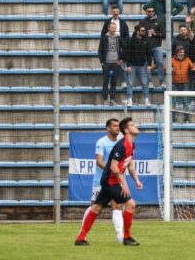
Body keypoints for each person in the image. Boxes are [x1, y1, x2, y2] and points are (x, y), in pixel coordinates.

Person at [76, 117, 143, 247]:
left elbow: (130, 166)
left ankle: (80, 238)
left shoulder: (132, 145)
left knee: (96, 207)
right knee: (130, 204)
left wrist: (137, 180)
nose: (136, 126)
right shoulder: (121, 145)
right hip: (110, 181)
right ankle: (127, 237)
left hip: (111, 181)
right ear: (127, 130)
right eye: (133, 125)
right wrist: (124, 183)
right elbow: (113, 166)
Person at [81, 119, 124, 243]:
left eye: (118, 126)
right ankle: (82, 233)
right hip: (101, 181)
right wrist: (111, 170)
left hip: (115, 181)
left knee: (117, 205)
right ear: (108, 128)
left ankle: (120, 235)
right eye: (114, 126)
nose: (117, 128)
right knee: (94, 207)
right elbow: (99, 161)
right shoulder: (102, 142)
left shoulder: (121, 143)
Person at [123, 25, 152, 107]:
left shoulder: (146, 40)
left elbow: (149, 53)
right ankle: (129, 100)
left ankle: (146, 100)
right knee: (130, 83)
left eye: (144, 30)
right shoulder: (130, 40)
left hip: (142, 65)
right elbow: (127, 54)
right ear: (137, 31)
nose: (144, 32)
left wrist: (149, 64)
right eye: (142, 30)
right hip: (132, 65)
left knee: (144, 83)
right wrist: (128, 65)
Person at [98, 21, 124, 105]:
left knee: (114, 82)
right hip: (107, 63)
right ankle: (105, 99)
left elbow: (125, 49)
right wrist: (102, 62)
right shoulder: (104, 38)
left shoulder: (118, 38)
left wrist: (122, 59)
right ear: (108, 28)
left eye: (115, 28)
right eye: (112, 28)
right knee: (105, 82)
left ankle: (112, 99)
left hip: (116, 64)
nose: (113, 30)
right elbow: (99, 50)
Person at [141, 7, 166, 89]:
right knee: (147, 65)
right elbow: (138, 33)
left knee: (160, 63)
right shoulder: (142, 22)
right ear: (146, 12)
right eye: (149, 11)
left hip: (156, 46)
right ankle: (149, 82)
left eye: (152, 11)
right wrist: (143, 34)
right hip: (146, 47)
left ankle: (162, 82)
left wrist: (156, 34)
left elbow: (164, 34)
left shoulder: (159, 21)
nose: (151, 12)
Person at [172, 46, 195, 117]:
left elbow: (193, 67)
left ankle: (187, 118)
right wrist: (169, 68)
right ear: (176, 53)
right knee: (174, 101)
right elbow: (165, 67)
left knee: (185, 100)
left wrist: (194, 68)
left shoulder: (187, 59)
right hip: (175, 83)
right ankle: (172, 118)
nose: (182, 54)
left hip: (185, 83)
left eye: (183, 52)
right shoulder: (172, 60)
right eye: (180, 52)